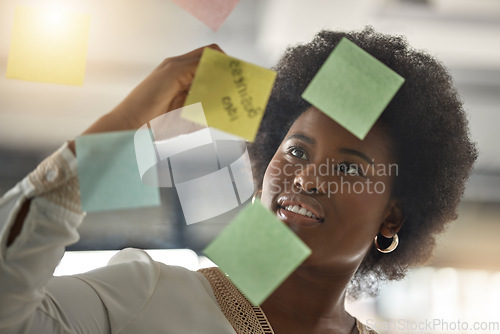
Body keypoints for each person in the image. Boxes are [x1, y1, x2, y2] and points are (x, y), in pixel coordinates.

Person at [0, 27, 477, 334]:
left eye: (348, 168)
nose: (306, 177)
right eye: (295, 151)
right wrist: (124, 123)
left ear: (391, 217)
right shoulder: (148, 297)